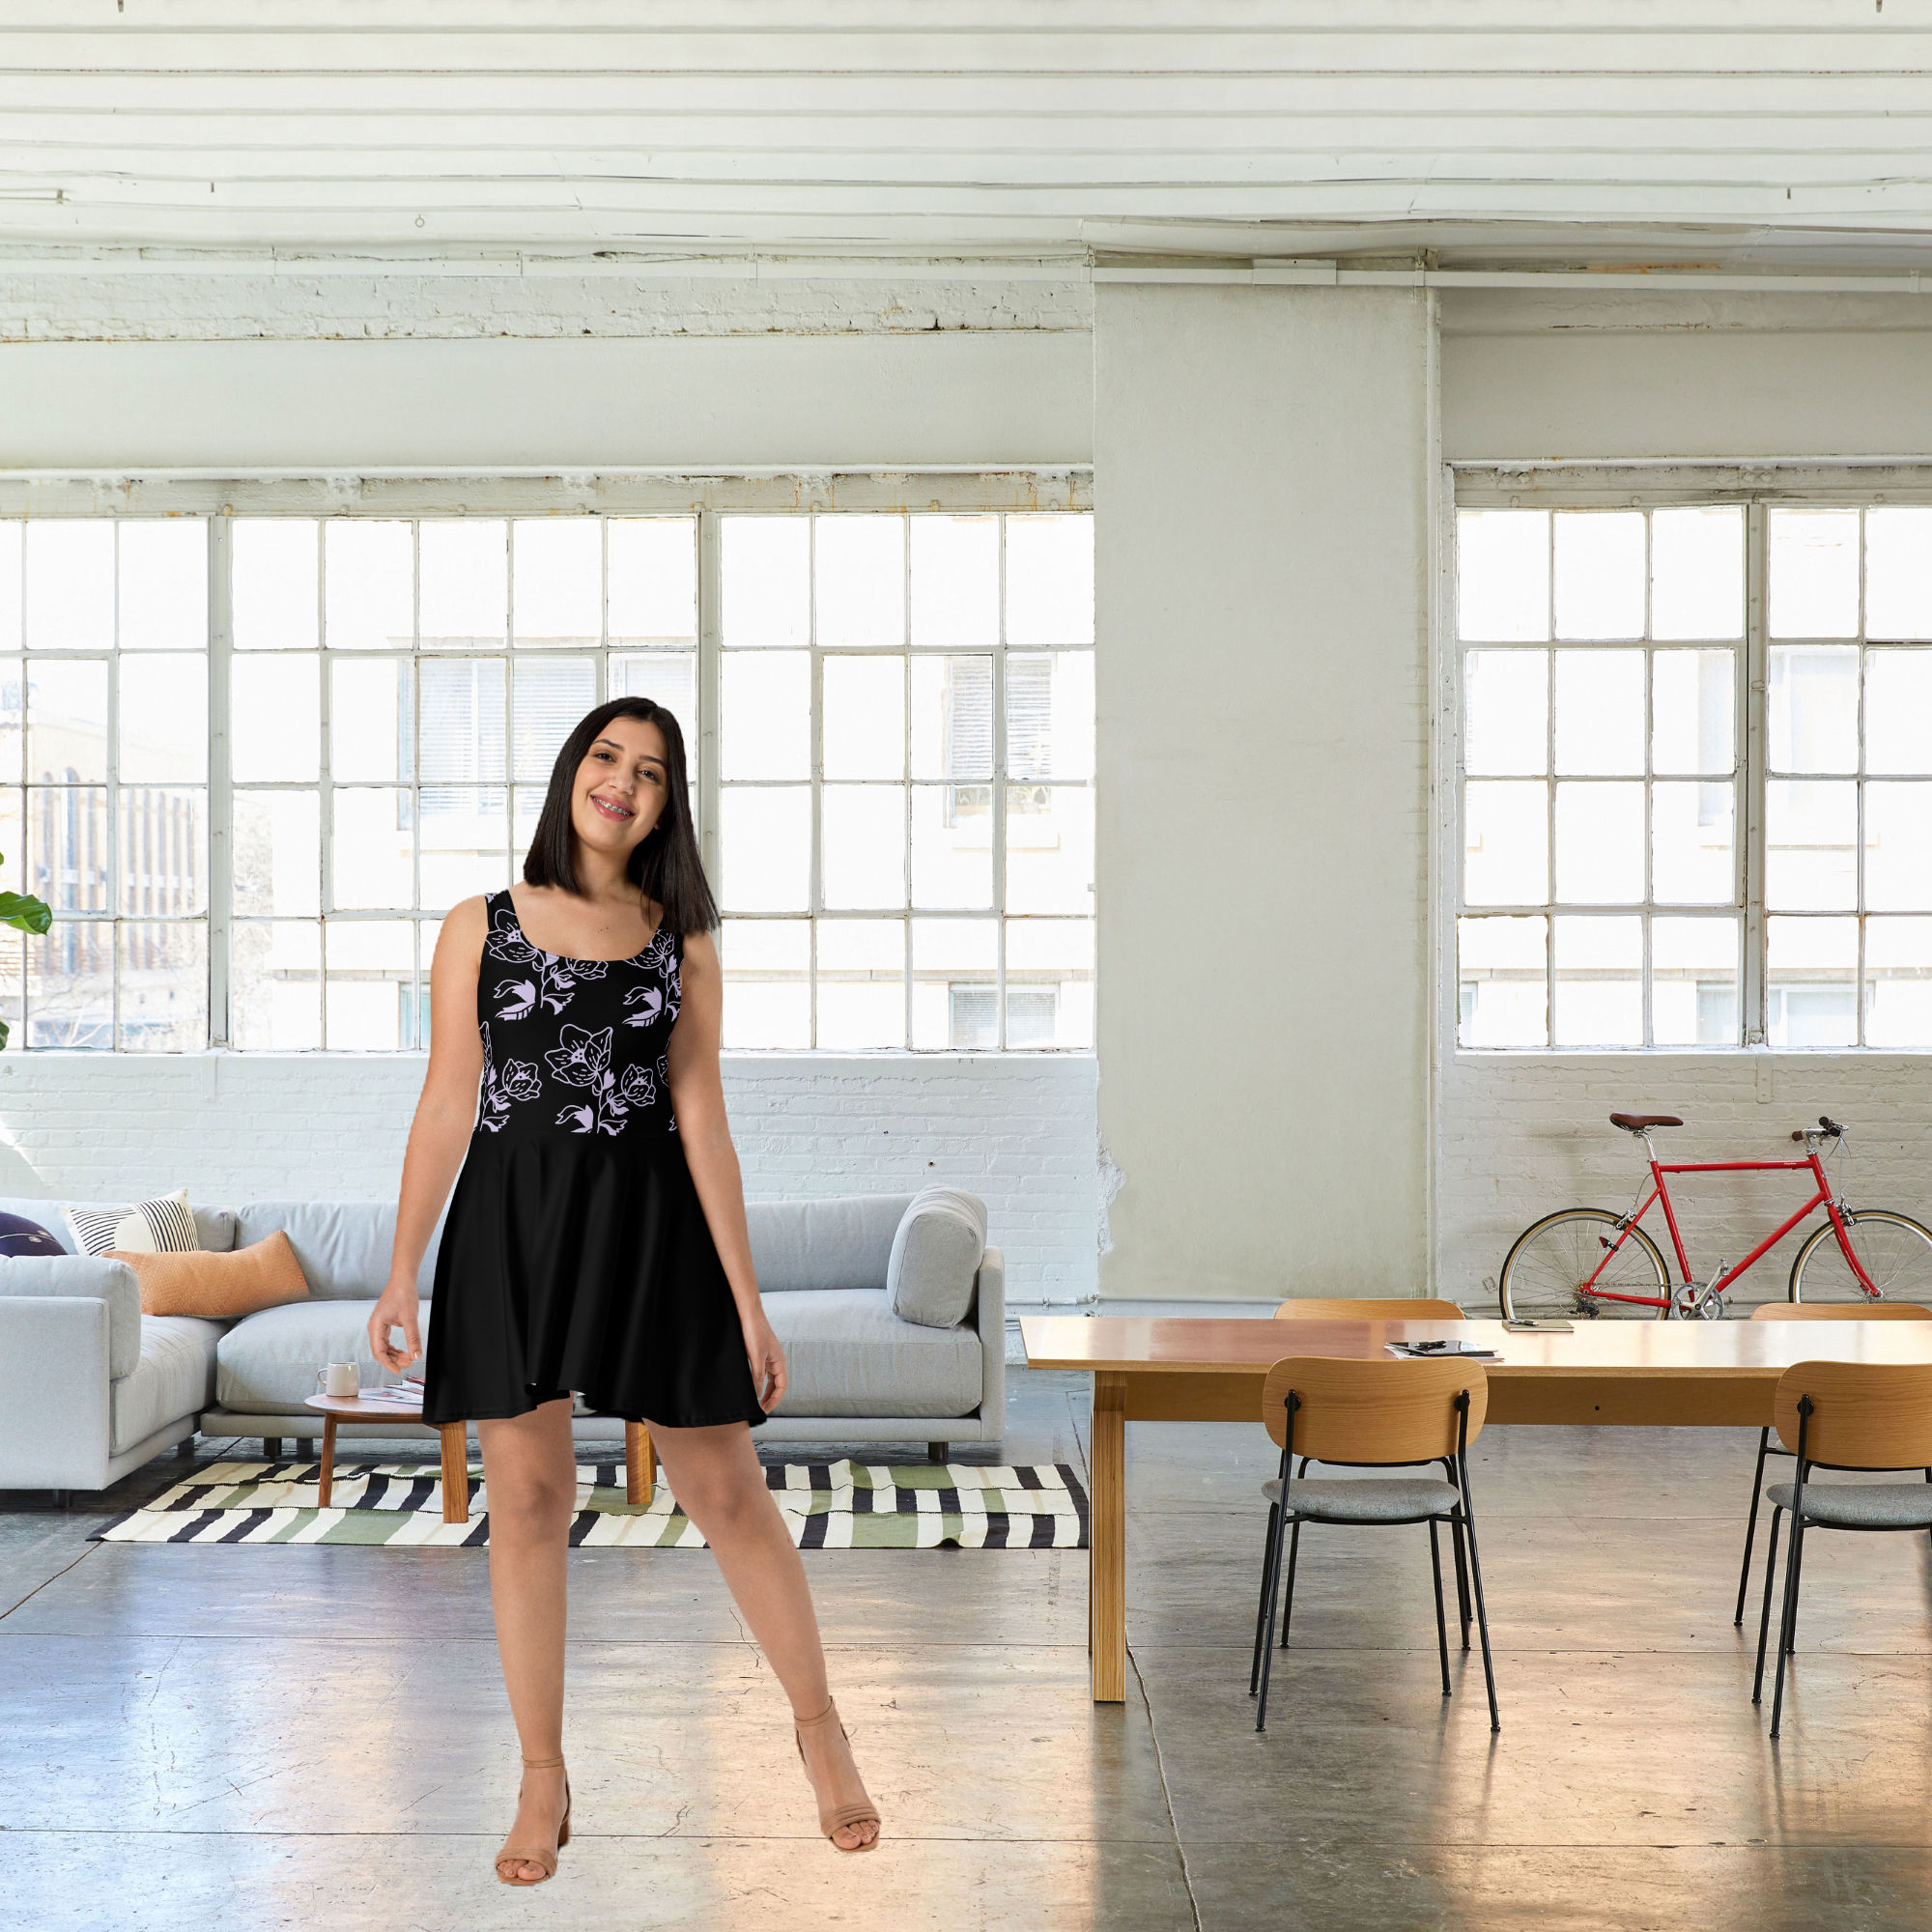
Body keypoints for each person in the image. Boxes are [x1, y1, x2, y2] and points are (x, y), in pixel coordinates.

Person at [368, 696, 882, 1883]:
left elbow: (701, 1115)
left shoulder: (679, 940)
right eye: (605, 757)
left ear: (667, 802)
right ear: (569, 773)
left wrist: (750, 1302)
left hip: (654, 1231)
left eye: (650, 771)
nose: (622, 782)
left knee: (728, 1492)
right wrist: (402, 1267)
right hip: (512, 1231)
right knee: (532, 1500)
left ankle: (820, 1729)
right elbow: (450, 1099)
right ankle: (542, 1778)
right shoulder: (477, 926)